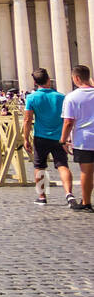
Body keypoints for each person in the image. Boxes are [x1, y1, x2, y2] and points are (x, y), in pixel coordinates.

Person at [23, 68, 71, 206]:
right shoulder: (61, 97)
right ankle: (69, 194)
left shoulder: (31, 98)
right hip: (59, 137)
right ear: (49, 79)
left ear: (35, 82)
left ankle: (42, 196)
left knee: (40, 167)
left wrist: (26, 138)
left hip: (40, 137)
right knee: (62, 165)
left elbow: (27, 120)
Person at [60, 64, 94, 212]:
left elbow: (68, 122)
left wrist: (63, 140)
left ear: (76, 78)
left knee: (86, 172)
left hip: (84, 140)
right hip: (85, 140)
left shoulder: (71, 97)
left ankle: (86, 202)